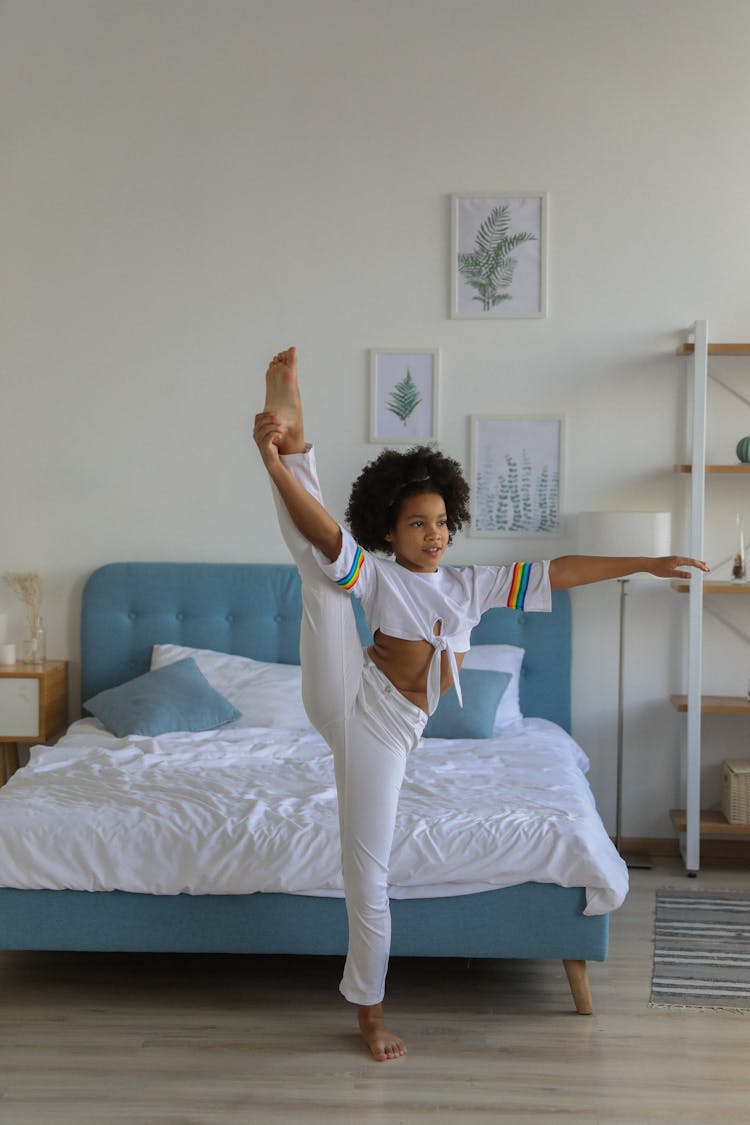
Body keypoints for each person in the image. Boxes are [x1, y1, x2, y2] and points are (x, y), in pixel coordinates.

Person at [253, 346, 708, 1063]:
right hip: (351, 698)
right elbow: (325, 535)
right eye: (416, 524)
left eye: (440, 521)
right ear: (389, 532)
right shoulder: (376, 577)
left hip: (391, 733)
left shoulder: (472, 587)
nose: (433, 534)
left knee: (368, 868)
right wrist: (276, 467)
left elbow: (561, 569)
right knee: (319, 576)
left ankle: (291, 440)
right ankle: (370, 1014)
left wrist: (643, 561)